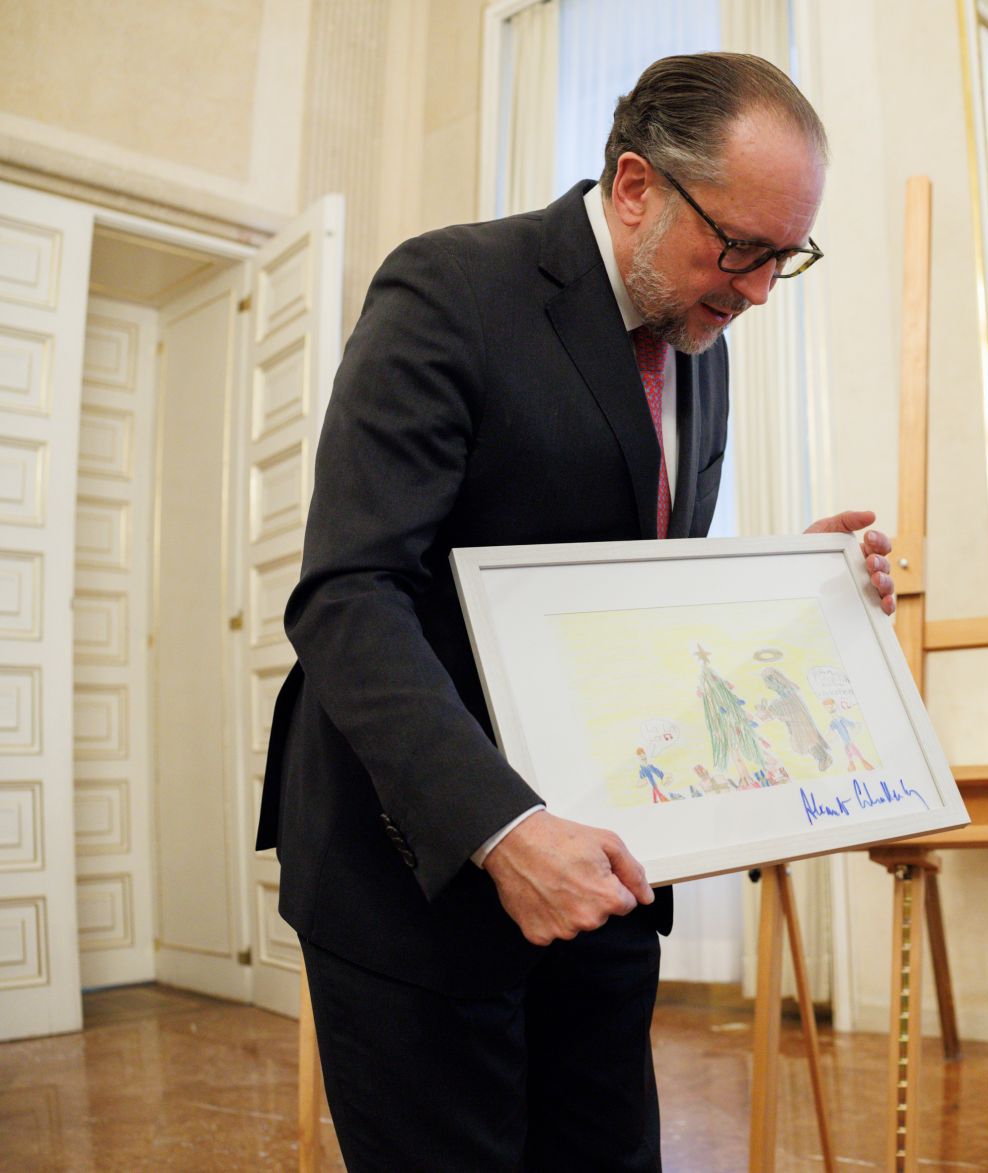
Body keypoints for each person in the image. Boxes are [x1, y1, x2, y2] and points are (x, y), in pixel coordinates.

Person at [255, 53, 894, 1172]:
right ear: (638, 186)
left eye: (781, 261)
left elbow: (631, 600)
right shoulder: (448, 289)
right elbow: (350, 593)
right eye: (738, 249)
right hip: (423, 867)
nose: (752, 292)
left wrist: (786, 585)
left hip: (603, 873)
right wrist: (502, 829)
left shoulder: (701, 347)